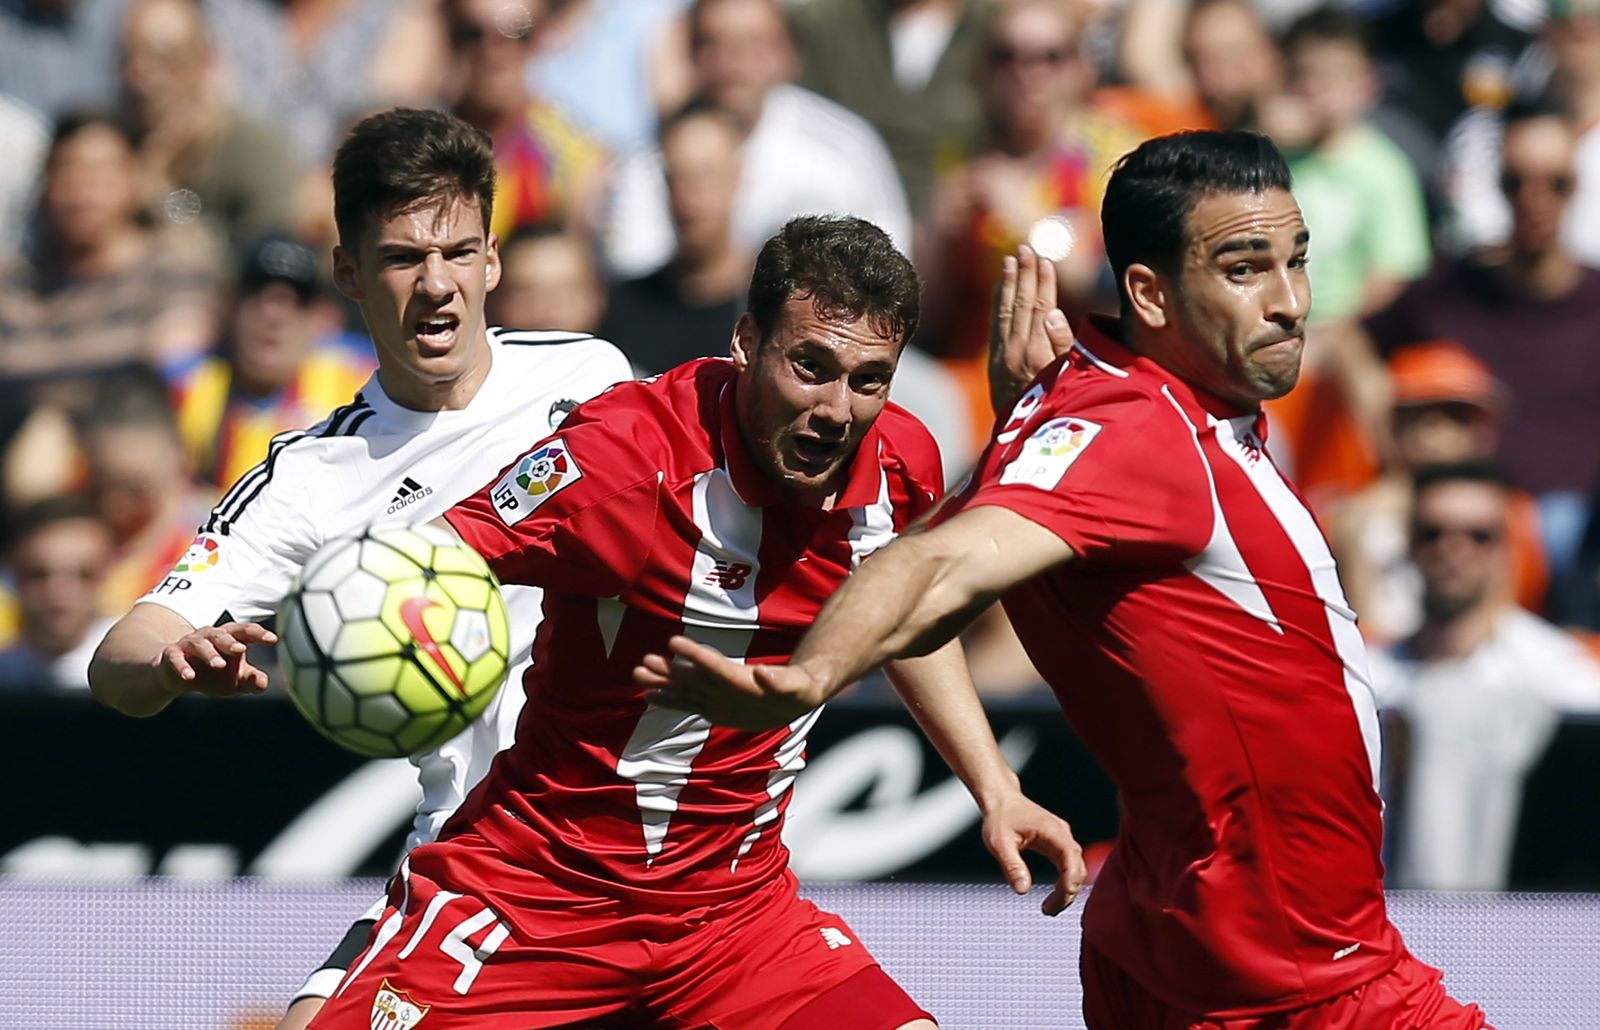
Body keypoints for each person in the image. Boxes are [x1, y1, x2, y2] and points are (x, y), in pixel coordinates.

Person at [642, 132, 1493, 1028]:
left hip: (1191, 937)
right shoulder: (1141, 433)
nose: (1290, 302)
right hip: (1300, 979)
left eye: (1297, 261)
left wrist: (1022, 411)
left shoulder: (1097, 402)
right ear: (1151, 294)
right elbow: (941, 561)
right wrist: (812, 678)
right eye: (1245, 269)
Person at [308, 215, 1084, 1029]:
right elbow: (417, 567)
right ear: (746, 340)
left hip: (735, 921)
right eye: (810, 366)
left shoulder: (899, 465)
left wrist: (996, 788)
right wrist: (298, 625)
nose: (834, 411)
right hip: (537, 897)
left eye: (867, 380)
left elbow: (902, 615)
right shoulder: (622, 460)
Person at [85, 107, 633, 1030]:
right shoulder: (308, 478)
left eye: (458, 253)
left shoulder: (594, 375)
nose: (438, 287)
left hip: (639, 836)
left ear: (492, 260)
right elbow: (117, 661)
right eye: (402, 259)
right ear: (347, 272)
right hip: (479, 860)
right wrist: (175, 662)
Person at [1362, 103, 1600, 621]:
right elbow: (1353, 339)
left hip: (1577, 540)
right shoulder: (1447, 294)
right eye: (1518, 182)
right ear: (1499, 185)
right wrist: (1376, 415)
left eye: (1553, 183)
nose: (1534, 200)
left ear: (1576, 186)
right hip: (1453, 521)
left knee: (1559, 528)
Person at [1370, 462, 1600, 891]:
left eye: (1479, 535)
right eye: (1433, 533)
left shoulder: (1562, 676)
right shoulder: (1369, 675)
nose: (1454, 549)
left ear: (1506, 547)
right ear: (1409, 544)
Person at [601, 0, 913, 279]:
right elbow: (629, 265)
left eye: (753, 43)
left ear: (788, 53)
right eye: (713, 43)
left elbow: (892, 260)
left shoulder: (842, 148)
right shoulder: (651, 156)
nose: (733, 61)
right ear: (691, 56)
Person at [171, 235, 374, 492]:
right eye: (257, 294)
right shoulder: (184, 391)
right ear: (229, 305)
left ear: (323, 318)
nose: (273, 314)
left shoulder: (362, 385)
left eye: (297, 300)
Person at [597, 101, 749, 374]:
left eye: (707, 175)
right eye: (677, 178)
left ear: (737, 179)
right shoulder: (623, 307)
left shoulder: (771, 305)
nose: (690, 195)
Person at [0, 497, 116, 693]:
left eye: (83, 574)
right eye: (38, 575)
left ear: (107, 574)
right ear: (12, 574)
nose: (58, 592)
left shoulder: (142, 670)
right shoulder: (5, 674)